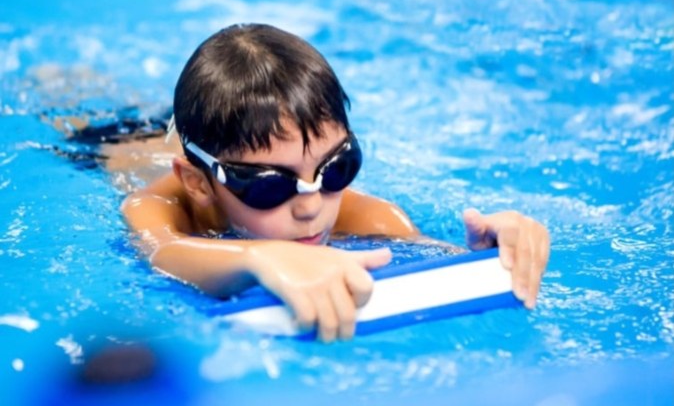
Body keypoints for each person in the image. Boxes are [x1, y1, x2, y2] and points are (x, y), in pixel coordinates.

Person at [121, 23, 550, 342]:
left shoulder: (372, 216)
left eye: (336, 169)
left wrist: (494, 252)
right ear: (198, 183)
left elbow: (437, 265)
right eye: (270, 186)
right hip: (112, 141)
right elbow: (162, 252)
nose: (310, 206)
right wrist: (262, 258)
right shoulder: (160, 205)